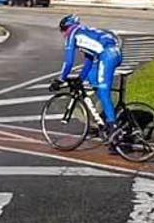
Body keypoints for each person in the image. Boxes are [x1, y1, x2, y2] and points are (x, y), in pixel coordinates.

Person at [50, 14, 123, 142]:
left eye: (63, 32)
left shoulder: (72, 35)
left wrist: (60, 79)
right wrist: (80, 78)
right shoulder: (84, 32)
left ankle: (113, 127)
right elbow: (89, 61)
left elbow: (68, 62)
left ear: (66, 28)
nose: (63, 35)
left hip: (108, 55)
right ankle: (107, 115)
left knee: (103, 89)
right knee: (92, 76)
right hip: (113, 52)